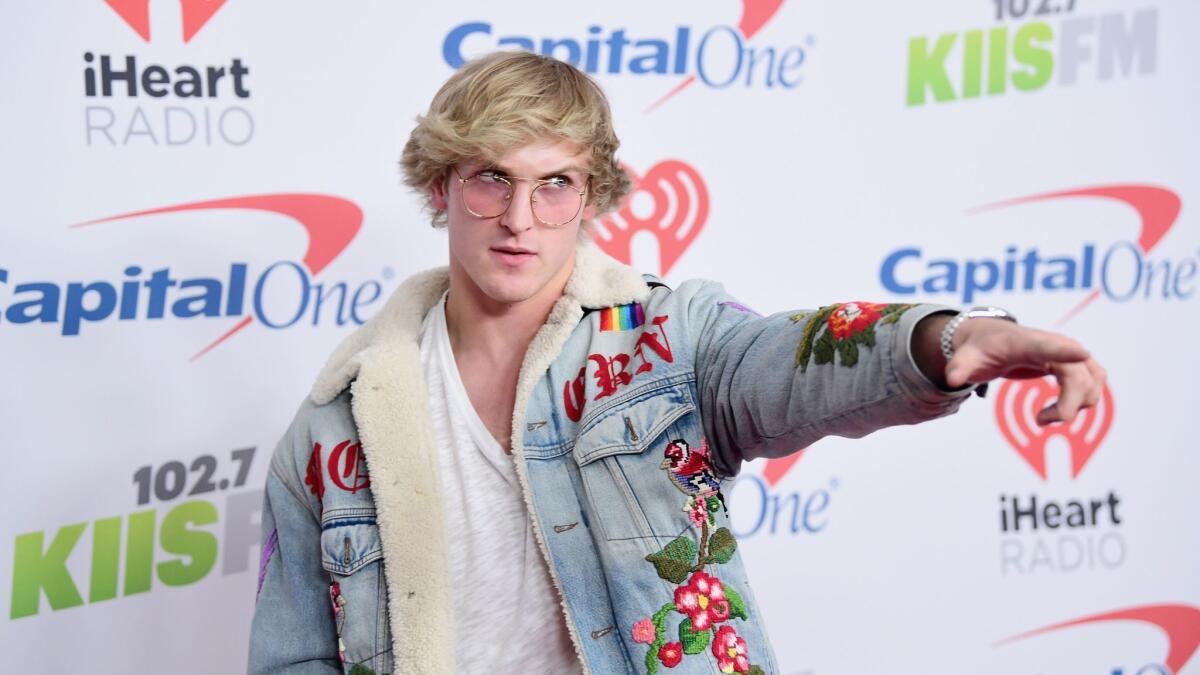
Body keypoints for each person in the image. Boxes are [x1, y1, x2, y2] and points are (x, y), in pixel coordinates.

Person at [247, 51, 1105, 675]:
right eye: (488, 178)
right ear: (440, 187)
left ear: (592, 197)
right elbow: (290, 659)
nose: (520, 216)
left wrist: (941, 341)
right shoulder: (337, 424)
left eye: (555, 184)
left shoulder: (668, 336)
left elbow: (788, 361)